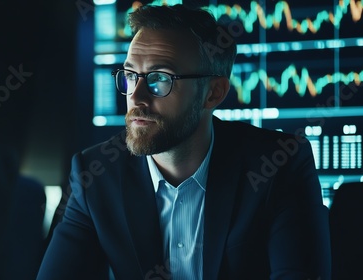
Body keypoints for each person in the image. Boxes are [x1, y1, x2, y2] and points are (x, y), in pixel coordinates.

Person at [37, 4, 331, 280]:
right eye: (130, 75)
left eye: (160, 78)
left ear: (213, 93)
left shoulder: (280, 164)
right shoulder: (95, 174)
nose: (135, 97)